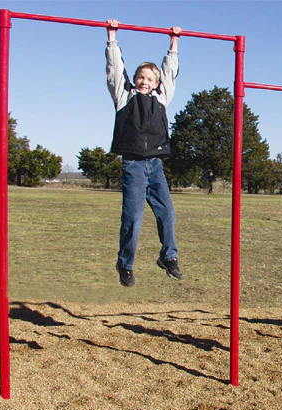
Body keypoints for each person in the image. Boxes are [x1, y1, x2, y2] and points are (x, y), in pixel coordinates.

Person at [106, 19, 184, 287]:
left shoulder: (162, 98)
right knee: (133, 218)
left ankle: (168, 256)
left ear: (156, 83)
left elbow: (169, 72)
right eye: (140, 77)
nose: (144, 81)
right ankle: (125, 263)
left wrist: (173, 45)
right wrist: (112, 38)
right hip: (134, 165)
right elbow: (116, 70)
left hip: (156, 165)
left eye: (150, 79)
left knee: (167, 213)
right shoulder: (124, 96)